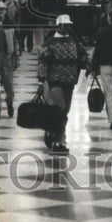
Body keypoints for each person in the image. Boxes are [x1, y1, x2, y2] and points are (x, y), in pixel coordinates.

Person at [36, 14, 84, 153]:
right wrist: (41, 82)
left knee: (65, 110)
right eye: (65, 25)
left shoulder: (74, 41)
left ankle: (51, 131)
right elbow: (43, 63)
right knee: (61, 110)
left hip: (70, 81)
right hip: (55, 81)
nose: (68, 28)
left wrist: (88, 67)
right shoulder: (50, 43)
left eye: (69, 25)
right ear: (58, 26)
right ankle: (60, 142)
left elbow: (81, 55)